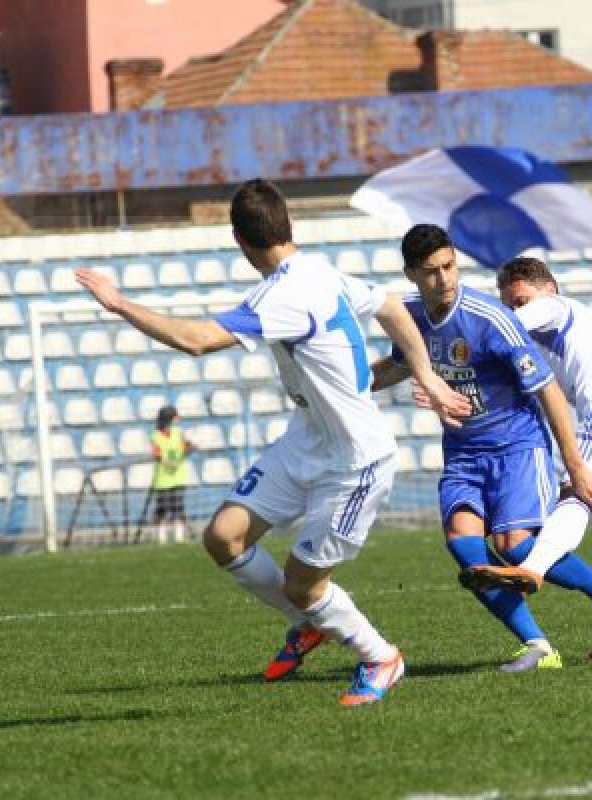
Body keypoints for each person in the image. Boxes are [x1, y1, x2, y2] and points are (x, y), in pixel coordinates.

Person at [76, 179, 471, 707]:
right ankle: (307, 625)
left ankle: (380, 657)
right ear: (289, 225)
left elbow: (196, 341)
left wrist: (119, 303)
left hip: (355, 458)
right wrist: (427, 375)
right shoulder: (319, 271)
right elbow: (391, 307)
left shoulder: (284, 295)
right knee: (224, 537)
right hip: (306, 440)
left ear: (239, 240)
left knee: (304, 585)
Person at [371, 225, 592, 672]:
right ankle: (537, 645)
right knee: (464, 545)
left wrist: (574, 464)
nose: (444, 279)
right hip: (463, 453)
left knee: (514, 547)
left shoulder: (490, 318)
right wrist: (339, 386)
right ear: (411, 273)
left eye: (449, 266)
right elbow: (399, 366)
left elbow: (548, 389)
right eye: (432, 271)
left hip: (517, 447)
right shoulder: (409, 317)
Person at [463, 257, 592, 659]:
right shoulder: (567, 341)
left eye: (521, 300)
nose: (516, 311)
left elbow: (510, 326)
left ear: (550, 289)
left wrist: (461, 335)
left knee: (577, 496)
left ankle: (532, 569)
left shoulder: (559, 308)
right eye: (509, 305)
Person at [150, 405, 194, 544]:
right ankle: (161, 537)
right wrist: (168, 463)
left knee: (178, 508)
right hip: (163, 479)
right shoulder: (156, 435)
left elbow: (185, 446)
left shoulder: (178, 432)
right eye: (175, 416)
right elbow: (156, 454)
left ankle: (179, 536)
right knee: (162, 509)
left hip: (178, 477)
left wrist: (190, 447)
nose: (178, 419)